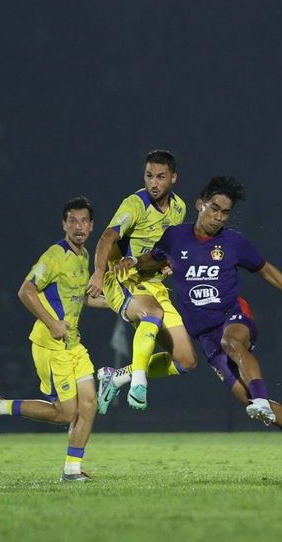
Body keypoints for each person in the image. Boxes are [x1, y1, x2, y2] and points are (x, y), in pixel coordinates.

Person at [115, 176, 282, 467]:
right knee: (248, 400)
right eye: (214, 209)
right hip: (205, 335)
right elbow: (153, 258)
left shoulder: (233, 242)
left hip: (233, 315)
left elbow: (267, 271)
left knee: (234, 344)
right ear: (199, 205)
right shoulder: (176, 238)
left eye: (225, 213)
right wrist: (133, 262)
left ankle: (262, 399)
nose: (218, 217)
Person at [0, 197, 108, 482]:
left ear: (92, 225)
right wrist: (52, 322)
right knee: (65, 413)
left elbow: (82, 298)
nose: (78, 226)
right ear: (64, 224)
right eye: (72, 221)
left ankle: (71, 471)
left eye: (84, 221)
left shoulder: (84, 257)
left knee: (89, 405)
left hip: (74, 345)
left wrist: (120, 305)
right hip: (51, 345)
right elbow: (25, 290)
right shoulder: (54, 255)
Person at [86, 150, 196, 412]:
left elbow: (168, 248)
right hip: (123, 280)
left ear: (173, 178)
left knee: (185, 361)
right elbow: (107, 237)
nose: (153, 183)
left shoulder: (179, 208)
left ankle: (118, 377)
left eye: (160, 177)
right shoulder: (135, 204)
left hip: (155, 286)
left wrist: (170, 264)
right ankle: (138, 383)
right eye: (149, 176)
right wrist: (100, 273)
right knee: (153, 312)